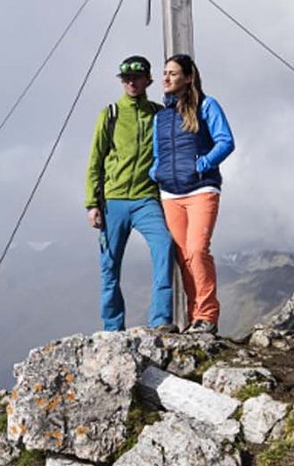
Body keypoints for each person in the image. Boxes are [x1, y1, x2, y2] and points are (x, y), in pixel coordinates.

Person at [84, 56, 175, 332]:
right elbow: (95, 159)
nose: (130, 83)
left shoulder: (159, 114)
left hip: (147, 198)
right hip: (113, 200)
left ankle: (160, 321)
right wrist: (91, 203)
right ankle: (113, 328)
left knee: (165, 245)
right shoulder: (110, 113)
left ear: (148, 80)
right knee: (109, 267)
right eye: (125, 79)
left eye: (136, 77)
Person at [152, 52, 234, 333]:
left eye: (173, 73)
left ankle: (208, 316)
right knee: (184, 256)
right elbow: (156, 153)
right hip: (170, 194)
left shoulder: (207, 105)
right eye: (165, 73)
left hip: (201, 188)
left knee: (198, 251)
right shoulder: (161, 117)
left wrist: (204, 163)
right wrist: (156, 171)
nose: (166, 78)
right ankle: (194, 317)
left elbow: (226, 141)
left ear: (188, 77)